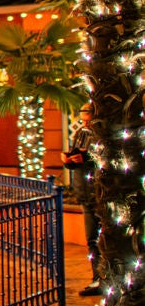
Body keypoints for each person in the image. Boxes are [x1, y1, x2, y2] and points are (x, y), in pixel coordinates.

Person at [64, 105, 102, 296]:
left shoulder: (102, 134)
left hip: (98, 194)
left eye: (88, 119)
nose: (85, 122)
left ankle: (107, 278)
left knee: (102, 239)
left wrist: (85, 159)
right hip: (84, 194)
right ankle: (97, 278)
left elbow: (104, 160)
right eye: (83, 119)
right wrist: (68, 161)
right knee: (92, 240)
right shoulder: (80, 133)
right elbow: (76, 158)